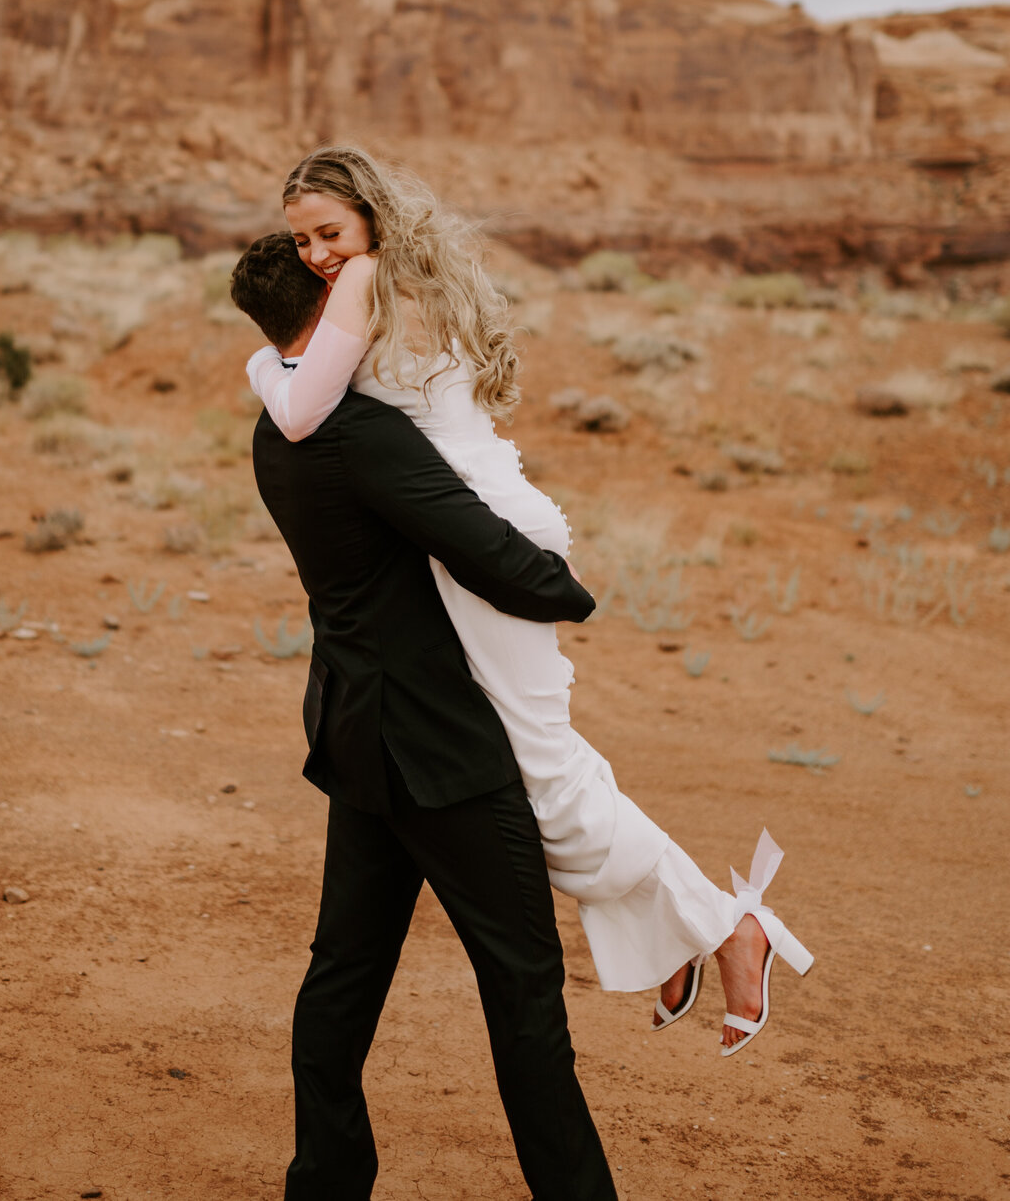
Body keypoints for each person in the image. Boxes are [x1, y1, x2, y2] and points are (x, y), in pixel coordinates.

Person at [245, 146, 813, 1058]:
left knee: (536, 777)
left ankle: (728, 927)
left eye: (329, 231)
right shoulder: (412, 273)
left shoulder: (366, 282)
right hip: (484, 520)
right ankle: (692, 926)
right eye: (301, 237)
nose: (316, 253)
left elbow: (304, 411)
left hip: (477, 542)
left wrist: (257, 368)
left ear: (370, 218)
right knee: (534, 757)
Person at [230, 232, 620, 1201]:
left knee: (341, 978)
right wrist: (570, 593)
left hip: (356, 740)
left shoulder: (274, 432)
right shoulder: (364, 435)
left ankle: (325, 1180)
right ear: (328, 311)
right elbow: (479, 544)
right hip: (440, 750)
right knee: (525, 992)